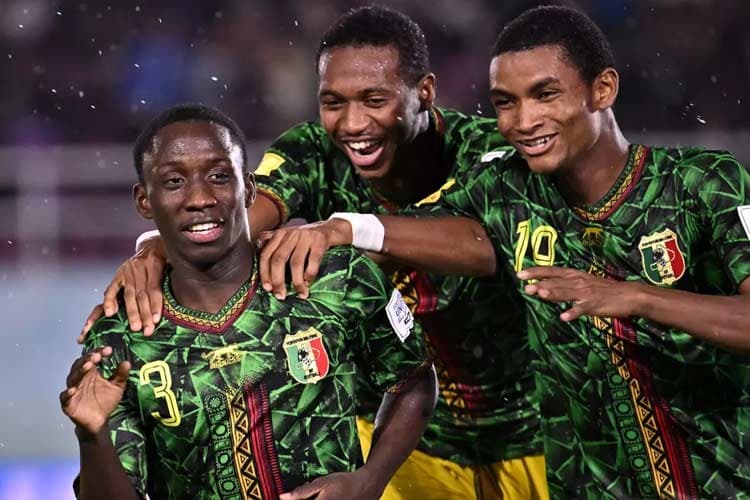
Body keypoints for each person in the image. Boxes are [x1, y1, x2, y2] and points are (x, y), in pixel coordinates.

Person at [270, 5, 750, 498]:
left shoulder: (703, 181)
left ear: (602, 89)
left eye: (545, 94)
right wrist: (344, 230)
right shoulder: (506, 190)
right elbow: (453, 238)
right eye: (505, 103)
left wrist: (636, 296)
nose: (525, 120)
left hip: (725, 480)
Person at [81, 6, 547, 500]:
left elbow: (484, 247)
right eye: (333, 102)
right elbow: (240, 214)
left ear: (424, 91)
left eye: (374, 100)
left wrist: (346, 229)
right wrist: (163, 247)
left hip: (529, 433)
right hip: (405, 440)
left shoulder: (488, 153)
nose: (353, 123)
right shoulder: (312, 152)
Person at [61, 103, 437, 500]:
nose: (200, 198)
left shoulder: (331, 276)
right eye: (174, 182)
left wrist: (370, 479)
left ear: (250, 189)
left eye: (219, 176)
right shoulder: (120, 336)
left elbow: (413, 380)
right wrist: (92, 435)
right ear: (144, 201)